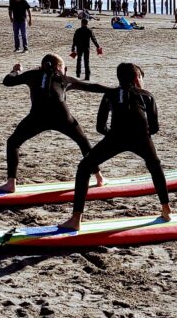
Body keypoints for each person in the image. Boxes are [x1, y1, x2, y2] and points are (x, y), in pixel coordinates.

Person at [58, 63, 170, 231]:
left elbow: (100, 127)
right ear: (136, 78)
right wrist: (141, 136)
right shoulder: (146, 95)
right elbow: (154, 127)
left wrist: (113, 137)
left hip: (115, 137)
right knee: (155, 166)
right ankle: (166, 210)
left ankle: (76, 220)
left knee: (84, 167)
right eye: (140, 76)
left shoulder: (110, 94)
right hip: (141, 138)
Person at [0, 54, 108, 194]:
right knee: (83, 142)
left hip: (37, 117)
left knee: (13, 143)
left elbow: (7, 81)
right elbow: (91, 86)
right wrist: (115, 90)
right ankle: (99, 178)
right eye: (65, 67)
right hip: (62, 117)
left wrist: (16, 70)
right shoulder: (64, 79)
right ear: (59, 67)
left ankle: (11, 184)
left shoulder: (32, 74)